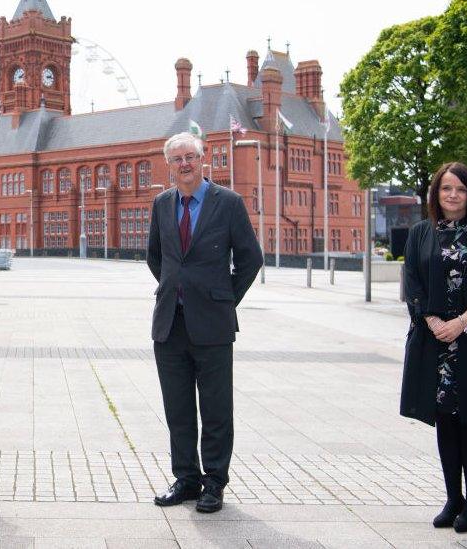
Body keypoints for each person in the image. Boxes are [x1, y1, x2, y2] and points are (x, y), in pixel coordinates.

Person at [147, 132, 263, 513]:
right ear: (169, 165)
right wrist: (175, 288)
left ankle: (214, 482)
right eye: (177, 158)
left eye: (191, 157)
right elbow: (156, 259)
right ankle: (186, 478)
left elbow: (250, 258)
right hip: (170, 324)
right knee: (177, 408)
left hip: (212, 324)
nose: (185, 164)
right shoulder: (162, 204)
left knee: (215, 409)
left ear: (203, 159)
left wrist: (222, 297)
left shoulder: (227, 203)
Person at [402, 162, 467, 533]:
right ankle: (453, 499)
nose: (453, 195)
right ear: (436, 193)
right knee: (443, 422)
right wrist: (432, 321)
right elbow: (411, 282)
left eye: (460, 189)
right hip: (435, 343)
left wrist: (461, 322)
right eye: (446, 188)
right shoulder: (420, 234)